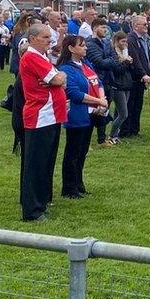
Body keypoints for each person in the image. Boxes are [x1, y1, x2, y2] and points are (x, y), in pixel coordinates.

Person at [19, 24, 68, 222]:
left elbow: (59, 78)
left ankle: (42, 199)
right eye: (44, 37)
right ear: (32, 39)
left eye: (50, 37)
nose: (49, 40)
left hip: (51, 115)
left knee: (46, 161)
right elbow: (57, 79)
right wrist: (57, 77)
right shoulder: (31, 56)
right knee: (36, 164)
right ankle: (32, 209)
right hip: (40, 116)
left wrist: (58, 77)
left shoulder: (43, 57)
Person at [58, 35, 107, 198]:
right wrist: (98, 100)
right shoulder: (66, 68)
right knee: (73, 152)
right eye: (82, 45)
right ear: (71, 48)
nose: (86, 48)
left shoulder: (86, 64)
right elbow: (74, 93)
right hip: (77, 115)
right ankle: (69, 187)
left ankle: (79, 184)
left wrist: (101, 98)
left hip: (91, 113)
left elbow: (97, 82)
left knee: (83, 151)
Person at [123, 15, 150, 139]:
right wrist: (143, 74)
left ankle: (135, 130)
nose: (147, 26)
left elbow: (146, 56)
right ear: (136, 26)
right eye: (144, 24)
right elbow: (135, 59)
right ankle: (127, 130)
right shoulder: (131, 39)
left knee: (138, 104)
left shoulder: (144, 38)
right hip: (134, 77)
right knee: (131, 104)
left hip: (142, 77)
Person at [106, 31, 134, 145]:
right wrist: (126, 62)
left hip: (126, 84)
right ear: (116, 41)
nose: (125, 44)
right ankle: (112, 135)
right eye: (123, 41)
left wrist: (129, 62)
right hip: (117, 86)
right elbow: (117, 70)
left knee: (120, 113)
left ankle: (115, 135)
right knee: (123, 114)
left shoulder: (124, 51)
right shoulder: (114, 53)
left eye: (126, 41)